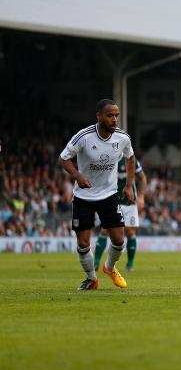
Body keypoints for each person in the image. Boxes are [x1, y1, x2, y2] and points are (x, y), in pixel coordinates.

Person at [59, 99, 135, 290]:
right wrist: (77, 175)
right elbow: (64, 158)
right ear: (99, 116)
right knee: (84, 243)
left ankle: (109, 268)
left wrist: (128, 186)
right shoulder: (83, 137)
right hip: (83, 197)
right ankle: (91, 279)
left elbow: (131, 158)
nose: (114, 119)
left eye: (116, 115)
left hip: (109, 196)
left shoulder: (122, 138)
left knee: (119, 240)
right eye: (110, 115)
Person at [94, 156, 147, 272]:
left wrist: (142, 196)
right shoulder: (106, 159)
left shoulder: (130, 159)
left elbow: (142, 178)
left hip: (129, 201)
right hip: (112, 201)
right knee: (105, 230)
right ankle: (96, 262)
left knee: (129, 231)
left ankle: (130, 264)